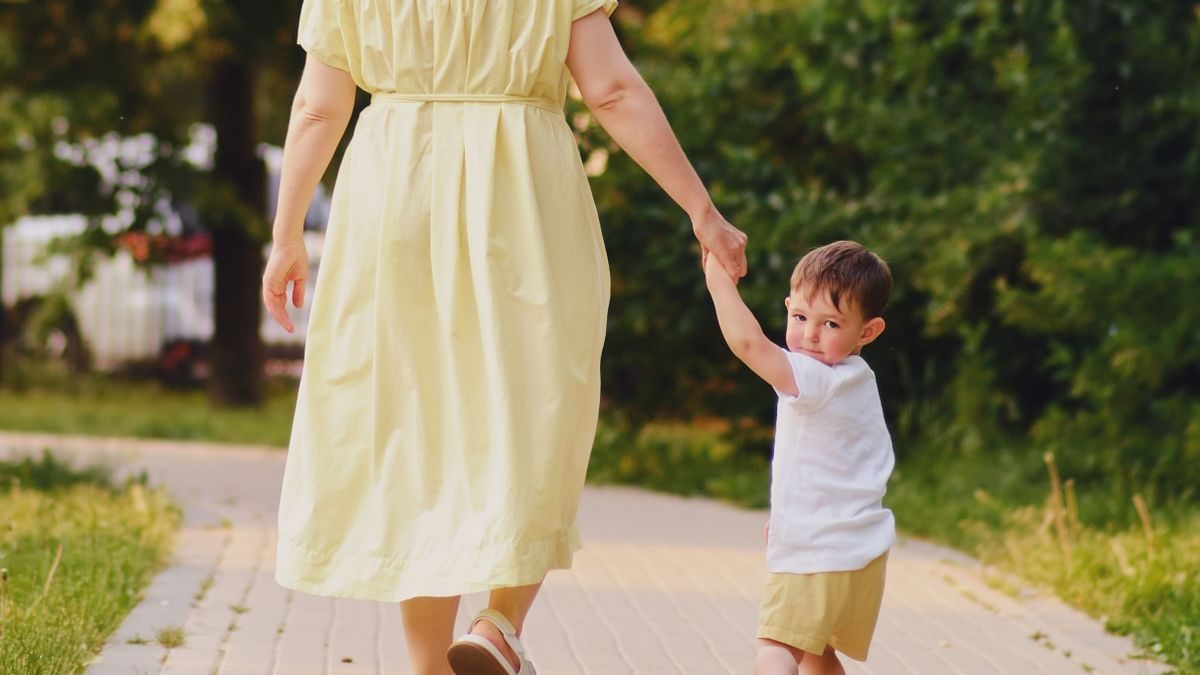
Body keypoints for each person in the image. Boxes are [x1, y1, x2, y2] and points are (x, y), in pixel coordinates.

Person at [261, 1, 748, 674]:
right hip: (521, 197)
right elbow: (611, 89)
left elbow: (318, 108)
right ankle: (500, 623)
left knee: (418, 434)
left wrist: (287, 236)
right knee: (537, 403)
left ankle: (431, 665)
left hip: (395, 193)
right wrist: (703, 209)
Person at [703, 240, 895, 675]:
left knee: (775, 649)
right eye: (800, 317)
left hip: (817, 552)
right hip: (861, 554)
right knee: (816, 654)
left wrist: (718, 280)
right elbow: (838, 465)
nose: (809, 334)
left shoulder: (816, 377)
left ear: (867, 332)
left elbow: (749, 345)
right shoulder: (859, 381)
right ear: (788, 308)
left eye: (830, 323)